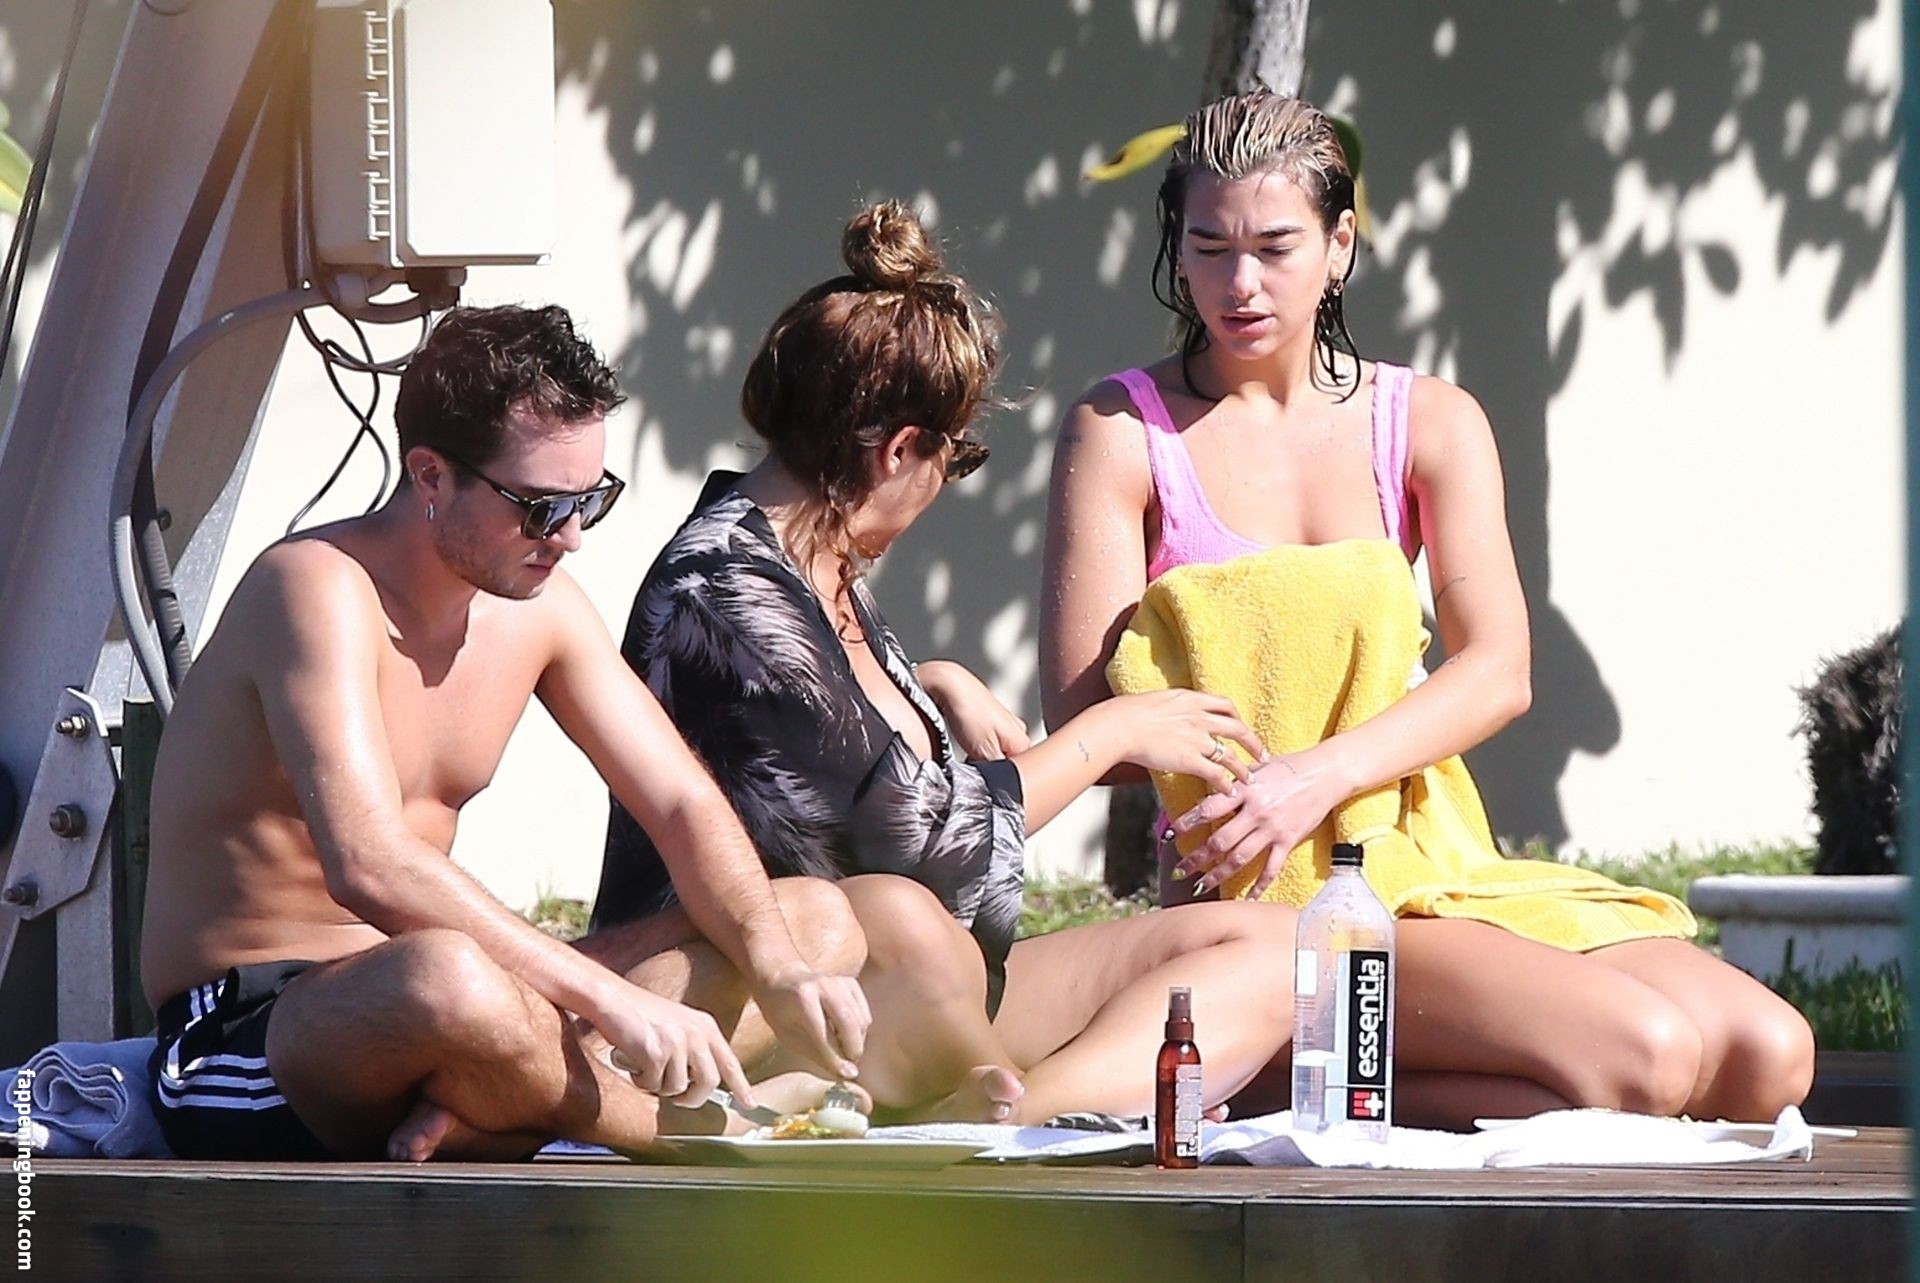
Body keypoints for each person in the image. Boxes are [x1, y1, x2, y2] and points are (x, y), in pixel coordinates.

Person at [1040, 90, 1814, 1124]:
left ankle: (1289, 1074)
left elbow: (1499, 669)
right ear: (1177, 251)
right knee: (1648, 1058)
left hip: (1424, 853)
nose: (1240, 283)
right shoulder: (1120, 429)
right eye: (1209, 247)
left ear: (1340, 245)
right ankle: (1269, 1054)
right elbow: (1090, 726)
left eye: (1275, 247)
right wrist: (1250, 783)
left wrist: (1316, 775)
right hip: (1268, 901)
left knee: (1770, 1056)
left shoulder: (1428, 420)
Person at [596, 202, 1297, 1125]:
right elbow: (916, 844)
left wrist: (931, 680)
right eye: (952, 458)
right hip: (784, 996)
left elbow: (829, 753)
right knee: (897, 914)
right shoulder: (724, 586)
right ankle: (1014, 1118)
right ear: (900, 450)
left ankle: (1010, 1116)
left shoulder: (814, 568)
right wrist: (1109, 734)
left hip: (921, 993)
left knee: (1277, 947)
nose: (941, 485)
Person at [140, 304, 871, 1163]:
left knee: (813, 920)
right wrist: (606, 997)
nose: (571, 537)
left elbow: (681, 802)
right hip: (258, 1029)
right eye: (540, 507)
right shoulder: (313, 587)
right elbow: (369, 862)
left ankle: (495, 1111)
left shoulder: (540, 607)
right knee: (445, 977)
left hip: (468, 1011)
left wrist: (778, 965)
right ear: (431, 476)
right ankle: (703, 1131)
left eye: (590, 500)